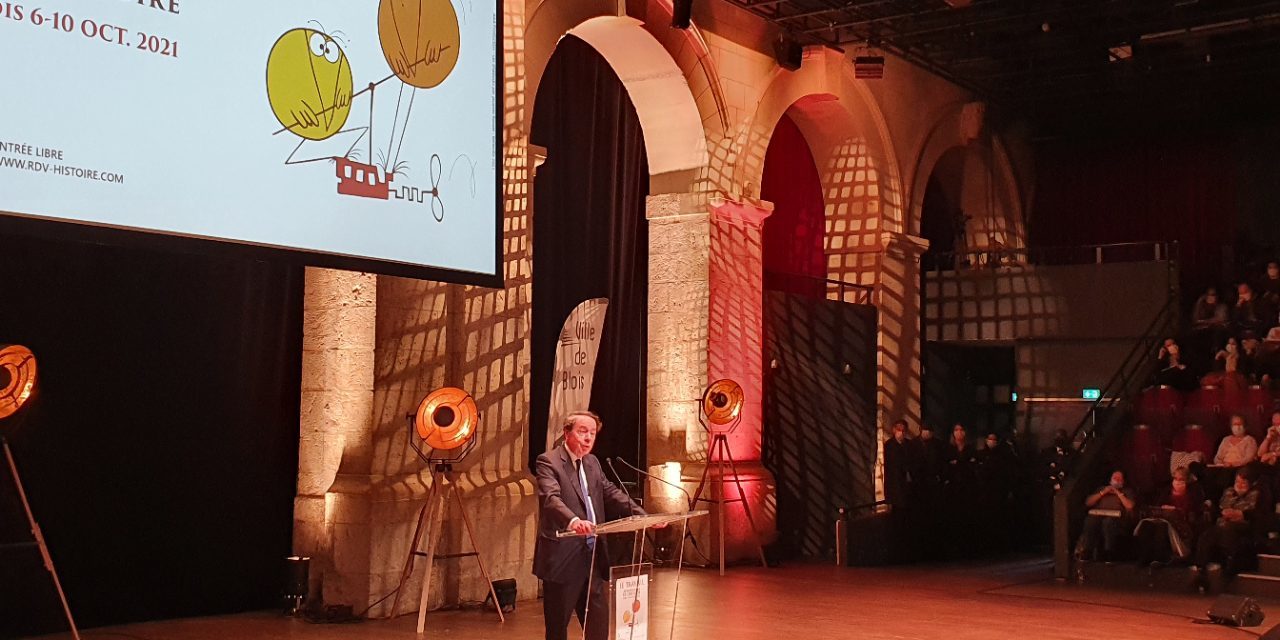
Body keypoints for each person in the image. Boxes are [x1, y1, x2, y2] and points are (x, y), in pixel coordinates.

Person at [534, 411, 648, 640]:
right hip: (563, 558)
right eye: (582, 432)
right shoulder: (548, 461)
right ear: (567, 433)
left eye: (592, 433)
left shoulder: (592, 462)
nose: (588, 438)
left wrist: (643, 516)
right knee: (557, 629)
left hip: (593, 556)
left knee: (598, 628)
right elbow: (550, 499)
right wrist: (573, 521)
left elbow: (611, 493)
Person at [1193, 468, 1261, 588]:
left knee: (1228, 531)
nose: (1239, 485)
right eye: (1237, 482)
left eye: (1243, 483)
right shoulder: (1229, 491)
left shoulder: (1257, 494)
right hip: (1222, 523)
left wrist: (1238, 514)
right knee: (1207, 535)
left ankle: (1229, 566)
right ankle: (1201, 569)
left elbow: (1254, 514)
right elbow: (1222, 507)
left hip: (1242, 526)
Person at [1133, 467, 1205, 566]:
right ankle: (1145, 557)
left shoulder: (1192, 493)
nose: (1177, 482)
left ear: (1186, 481)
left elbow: (1194, 511)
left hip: (1181, 523)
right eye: (1175, 478)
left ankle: (1161, 558)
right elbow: (1158, 506)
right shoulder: (1166, 491)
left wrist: (1175, 509)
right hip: (1164, 518)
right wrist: (1163, 508)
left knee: (1162, 527)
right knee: (1146, 524)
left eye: (1181, 479)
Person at [1076, 470, 1138, 562]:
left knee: (1108, 523)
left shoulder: (1127, 491)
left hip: (1117, 519)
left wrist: (1118, 493)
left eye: (1119, 479)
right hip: (1099, 516)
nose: (1116, 480)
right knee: (1091, 521)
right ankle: (1087, 551)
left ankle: (1109, 553)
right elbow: (1088, 502)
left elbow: (1130, 506)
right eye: (1115, 478)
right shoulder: (1101, 489)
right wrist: (1103, 493)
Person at [883, 419, 913, 508]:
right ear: (894, 430)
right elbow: (890, 467)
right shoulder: (889, 445)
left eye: (903, 430)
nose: (901, 432)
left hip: (907, 484)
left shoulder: (909, 444)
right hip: (895, 484)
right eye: (899, 430)